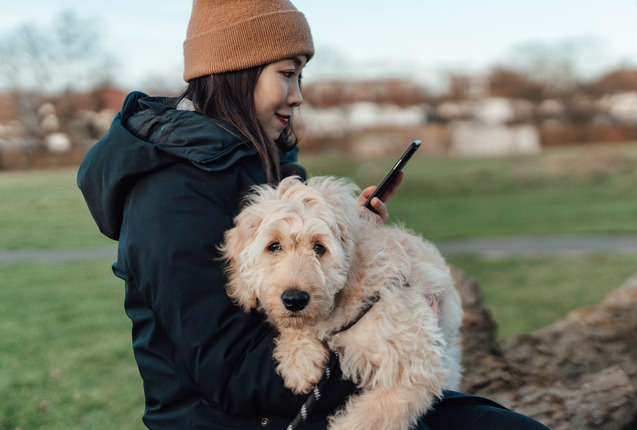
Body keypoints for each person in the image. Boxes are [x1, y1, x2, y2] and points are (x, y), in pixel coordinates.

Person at [77, 0, 549, 429]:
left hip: (330, 380)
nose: (298, 94)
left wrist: (352, 241)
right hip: (239, 416)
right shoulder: (170, 197)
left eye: (300, 76)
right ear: (236, 70)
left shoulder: (265, 162)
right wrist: (397, 342)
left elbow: (318, 280)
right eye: (287, 73)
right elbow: (235, 375)